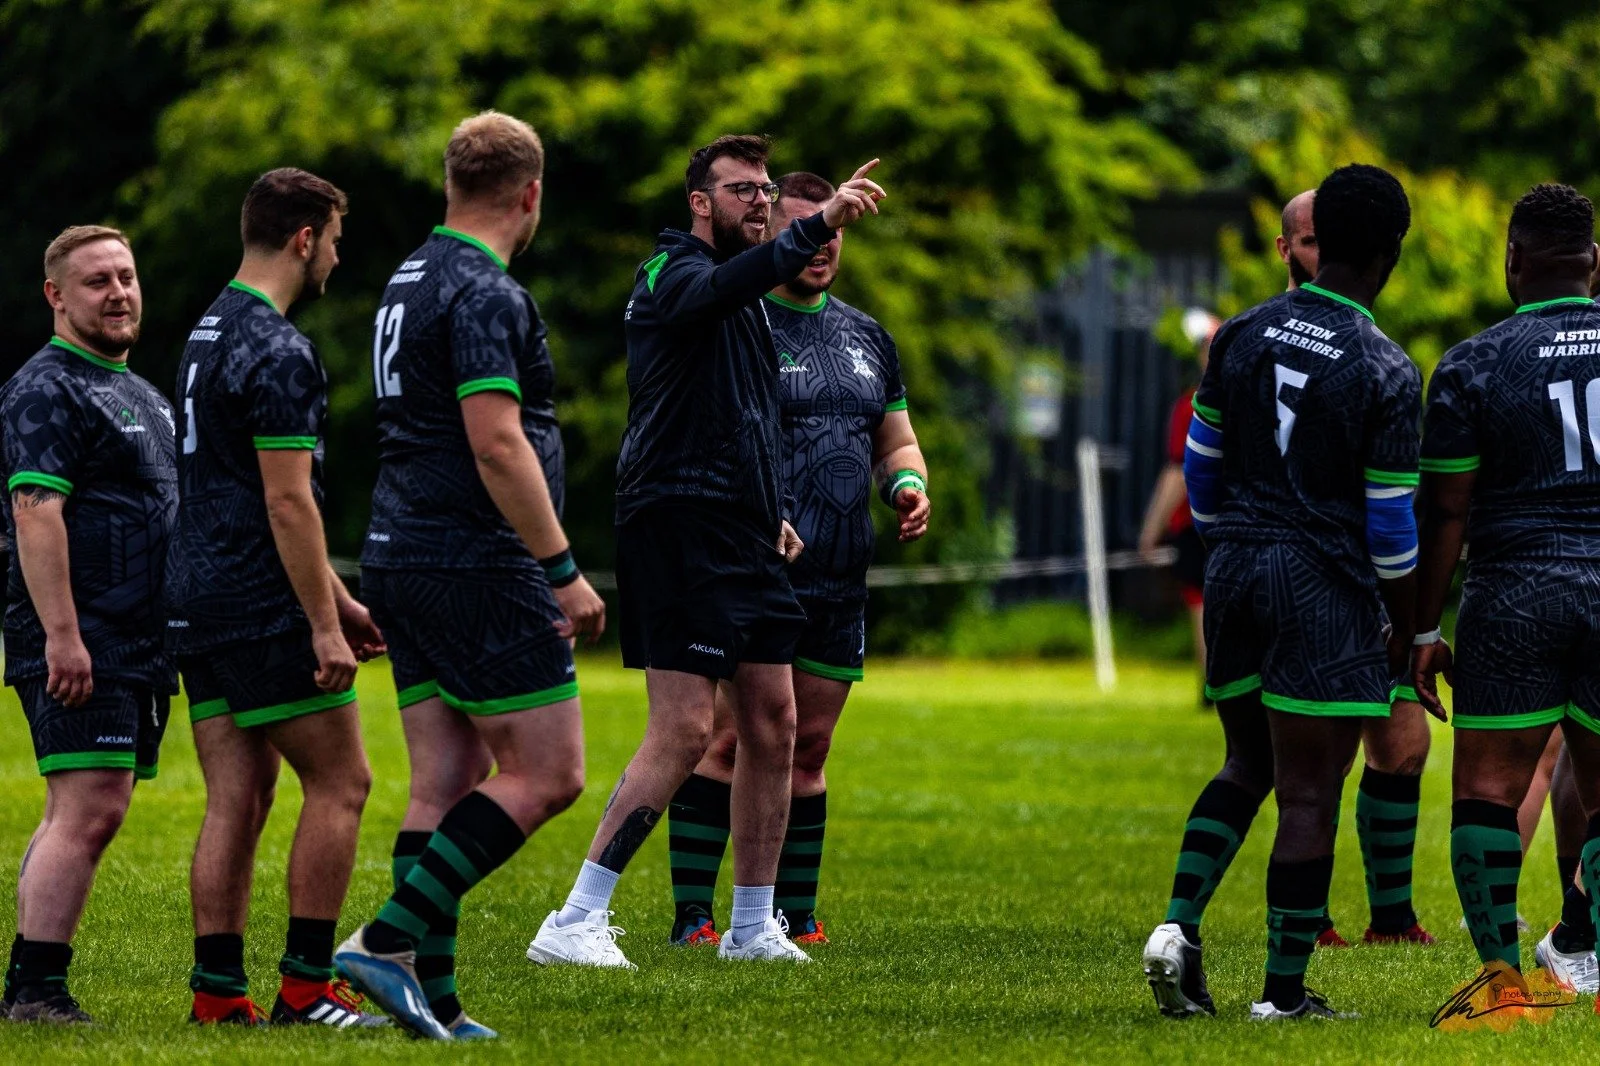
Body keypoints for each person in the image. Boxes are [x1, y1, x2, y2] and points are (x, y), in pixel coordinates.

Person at [526, 136, 885, 967]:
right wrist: (817, 222)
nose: (758, 202)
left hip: (742, 529)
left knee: (775, 721)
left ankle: (753, 928)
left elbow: (748, 415)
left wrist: (772, 512)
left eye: (765, 190)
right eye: (741, 191)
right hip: (677, 519)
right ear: (699, 202)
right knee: (686, 729)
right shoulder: (670, 273)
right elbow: (720, 287)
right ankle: (575, 918)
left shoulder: (752, 304)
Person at [332, 111, 603, 1042]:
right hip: (478, 561)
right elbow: (495, 439)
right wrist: (561, 570)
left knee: (446, 779)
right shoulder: (487, 290)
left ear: (452, 183)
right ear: (530, 195)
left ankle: (433, 1000)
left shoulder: (407, 277)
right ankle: (390, 939)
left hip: (399, 551)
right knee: (551, 773)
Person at [1142, 164, 1419, 1021]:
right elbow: (1389, 529)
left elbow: (1201, 468)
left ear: (1318, 241)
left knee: (1245, 762)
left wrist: (1232, 543)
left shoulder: (1243, 333)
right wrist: (1409, 626)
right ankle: (1284, 994)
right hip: (1321, 584)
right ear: (1390, 254)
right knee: (1308, 792)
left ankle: (1177, 927)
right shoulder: (1385, 367)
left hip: (1234, 567)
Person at [662, 171, 930, 948]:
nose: (825, 243)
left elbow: (896, 439)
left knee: (808, 748)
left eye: (836, 228)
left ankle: (794, 916)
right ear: (773, 233)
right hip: (756, 569)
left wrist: (908, 485)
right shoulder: (739, 322)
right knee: (728, 741)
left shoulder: (866, 334)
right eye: (808, 228)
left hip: (841, 578)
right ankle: (694, 916)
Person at [169, 169, 387, 1029]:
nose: (336, 253)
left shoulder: (208, 329)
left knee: (240, 795)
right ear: (304, 238)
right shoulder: (278, 348)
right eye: (333, 237)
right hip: (261, 600)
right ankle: (305, 990)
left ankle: (218, 993)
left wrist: (337, 594)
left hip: (197, 594)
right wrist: (325, 625)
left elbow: (230, 486)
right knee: (342, 782)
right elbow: (286, 500)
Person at [1412, 182, 1600, 1012]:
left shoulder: (1473, 364)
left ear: (1513, 261)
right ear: (1594, 262)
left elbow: (1445, 507)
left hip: (1513, 588)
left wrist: (1419, 625)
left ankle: (1502, 989)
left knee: (1486, 788)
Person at [0, 226, 177, 1024]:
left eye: (127, 277)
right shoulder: (47, 387)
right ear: (56, 296)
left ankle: (28, 980)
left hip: (140, 641)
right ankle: (35, 991)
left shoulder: (141, 391)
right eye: (98, 281)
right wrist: (63, 636)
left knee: (83, 805)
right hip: (82, 637)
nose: (119, 293)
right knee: (91, 803)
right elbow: (37, 513)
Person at [1282, 189, 1435, 951]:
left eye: (1324, 241)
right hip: (1304, 582)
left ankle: (1393, 918)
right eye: (1303, 243)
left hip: (1373, 579)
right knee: (1320, 757)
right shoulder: (1252, 343)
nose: (1317, 256)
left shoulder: (1373, 350)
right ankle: (1308, 919)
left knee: (1403, 743)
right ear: (1287, 251)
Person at [1137, 311, 1218, 708]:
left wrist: (1150, 530)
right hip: (1244, 520)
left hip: (1197, 522)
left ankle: (1211, 685)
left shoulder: (1192, 405)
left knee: (1201, 602)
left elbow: (1178, 472)